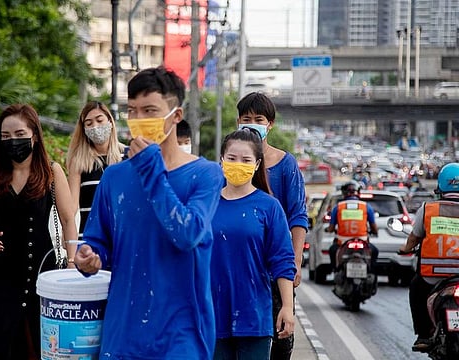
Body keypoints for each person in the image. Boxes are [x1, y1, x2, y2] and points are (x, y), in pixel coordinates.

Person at [74, 66, 224, 359]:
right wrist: (89, 257)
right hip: (123, 335)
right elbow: (97, 242)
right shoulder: (114, 178)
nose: (139, 120)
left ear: (175, 116)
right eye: (133, 111)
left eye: (150, 110)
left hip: (182, 336)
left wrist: (150, 168)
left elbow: (187, 233)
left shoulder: (206, 175)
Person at [0, 104, 77, 359]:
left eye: (20, 134)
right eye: (6, 136)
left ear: (34, 135)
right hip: (3, 275)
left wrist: (72, 261)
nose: (13, 142)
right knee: (0, 341)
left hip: (42, 271)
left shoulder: (51, 171)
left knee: (41, 341)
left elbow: (68, 220)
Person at [211, 128, 296, 360]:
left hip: (254, 316)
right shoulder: (205, 204)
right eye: (231, 158)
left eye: (246, 160)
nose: (238, 164)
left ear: (257, 164)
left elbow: (282, 260)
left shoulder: (269, 207)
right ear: (221, 160)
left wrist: (287, 307)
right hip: (211, 316)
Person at [236, 92, 308, 360]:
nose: (252, 123)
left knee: (280, 340)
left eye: (258, 119)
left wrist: (296, 262)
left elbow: (298, 216)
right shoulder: (232, 164)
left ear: (270, 124)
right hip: (240, 267)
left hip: (276, 269)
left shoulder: (286, 164)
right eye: (246, 118)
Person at [399, 163, 459, 352]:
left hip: (431, 275)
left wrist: (405, 249)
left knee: (416, 289)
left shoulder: (428, 209)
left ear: (440, 185)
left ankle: (423, 335)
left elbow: (414, 237)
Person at [66, 101, 126, 239]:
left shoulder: (128, 156)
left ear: (110, 121)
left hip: (123, 236)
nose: (95, 127)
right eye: (88, 123)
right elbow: (72, 206)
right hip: (90, 238)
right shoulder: (79, 162)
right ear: (84, 129)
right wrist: (68, 233)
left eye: (99, 120)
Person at [326, 180, 379, 271]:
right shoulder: (366, 206)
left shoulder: (338, 207)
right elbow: (374, 227)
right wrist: (374, 232)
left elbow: (331, 228)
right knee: (374, 251)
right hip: (362, 240)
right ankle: (371, 271)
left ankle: (336, 270)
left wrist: (328, 230)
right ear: (358, 192)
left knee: (332, 250)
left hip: (342, 242)